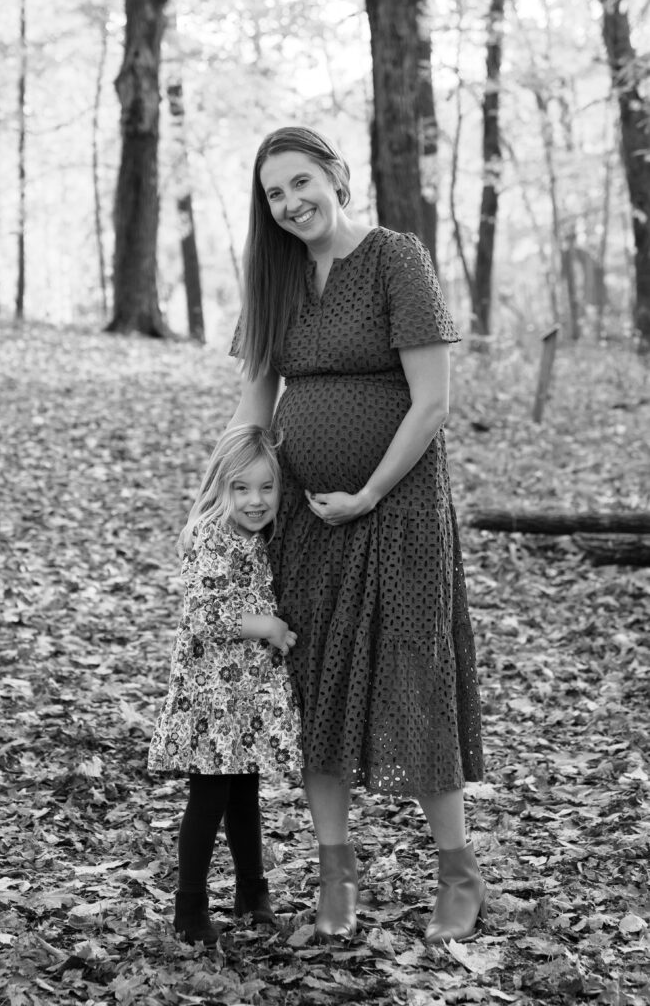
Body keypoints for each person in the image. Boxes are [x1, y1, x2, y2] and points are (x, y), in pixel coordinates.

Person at [227, 126, 486, 945]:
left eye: (301, 182)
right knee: (315, 685)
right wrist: (228, 497)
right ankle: (335, 871)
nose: (291, 202)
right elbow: (253, 399)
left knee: (413, 674)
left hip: (399, 509)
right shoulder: (273, 278)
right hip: (302, 516)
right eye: (274, 193)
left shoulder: (394, 258)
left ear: (335, 176)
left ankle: (456, 872)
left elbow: (433, 401)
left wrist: (371, 491)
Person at [148, 424, 302, 946]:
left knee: (245, 792)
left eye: (266, 488)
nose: (256, 501)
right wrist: (271, 628)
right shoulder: (213, 535)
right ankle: (189, 907)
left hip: (245, 696)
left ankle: (252, 891)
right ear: (221, 487)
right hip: (213, 695)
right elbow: (204, 612)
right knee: (209, 795)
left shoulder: (257, 534)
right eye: (242, 488)